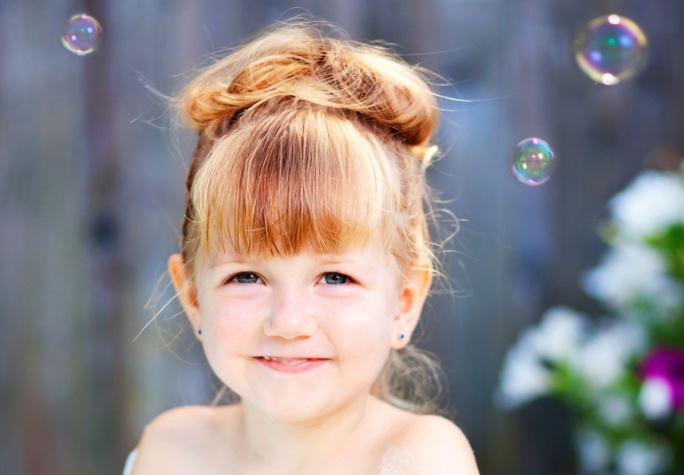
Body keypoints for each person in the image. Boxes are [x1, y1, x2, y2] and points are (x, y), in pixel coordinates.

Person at [127, 18, 479, 475]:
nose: (289, 322)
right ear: (193, 296)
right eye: (246, 276)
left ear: (404, 303)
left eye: (336, 277)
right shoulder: (172, 451)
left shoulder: (421, 458)